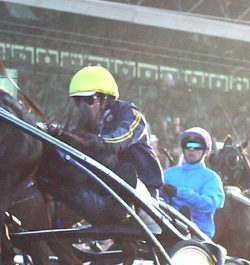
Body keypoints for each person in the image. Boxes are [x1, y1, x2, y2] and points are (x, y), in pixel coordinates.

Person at [51, 65, 163, 223]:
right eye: (78, 101)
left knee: (126, 171)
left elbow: (124, 136)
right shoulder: (86, 122)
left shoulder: (130, 113)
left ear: (104, 97)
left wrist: (99, 142)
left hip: (140, 184)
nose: (83, 106)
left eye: (89, 100)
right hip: (104, 184)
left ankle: (151, 227)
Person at [160, 127, 224, 237]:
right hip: (167, 227)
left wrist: (180, 193)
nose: (191, 150)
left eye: (197, 146)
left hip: (197, 234)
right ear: (183, 149)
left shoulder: (211, 178)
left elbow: (210, 203)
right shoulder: (168, 173)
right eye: (188, 145)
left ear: (205, 150)